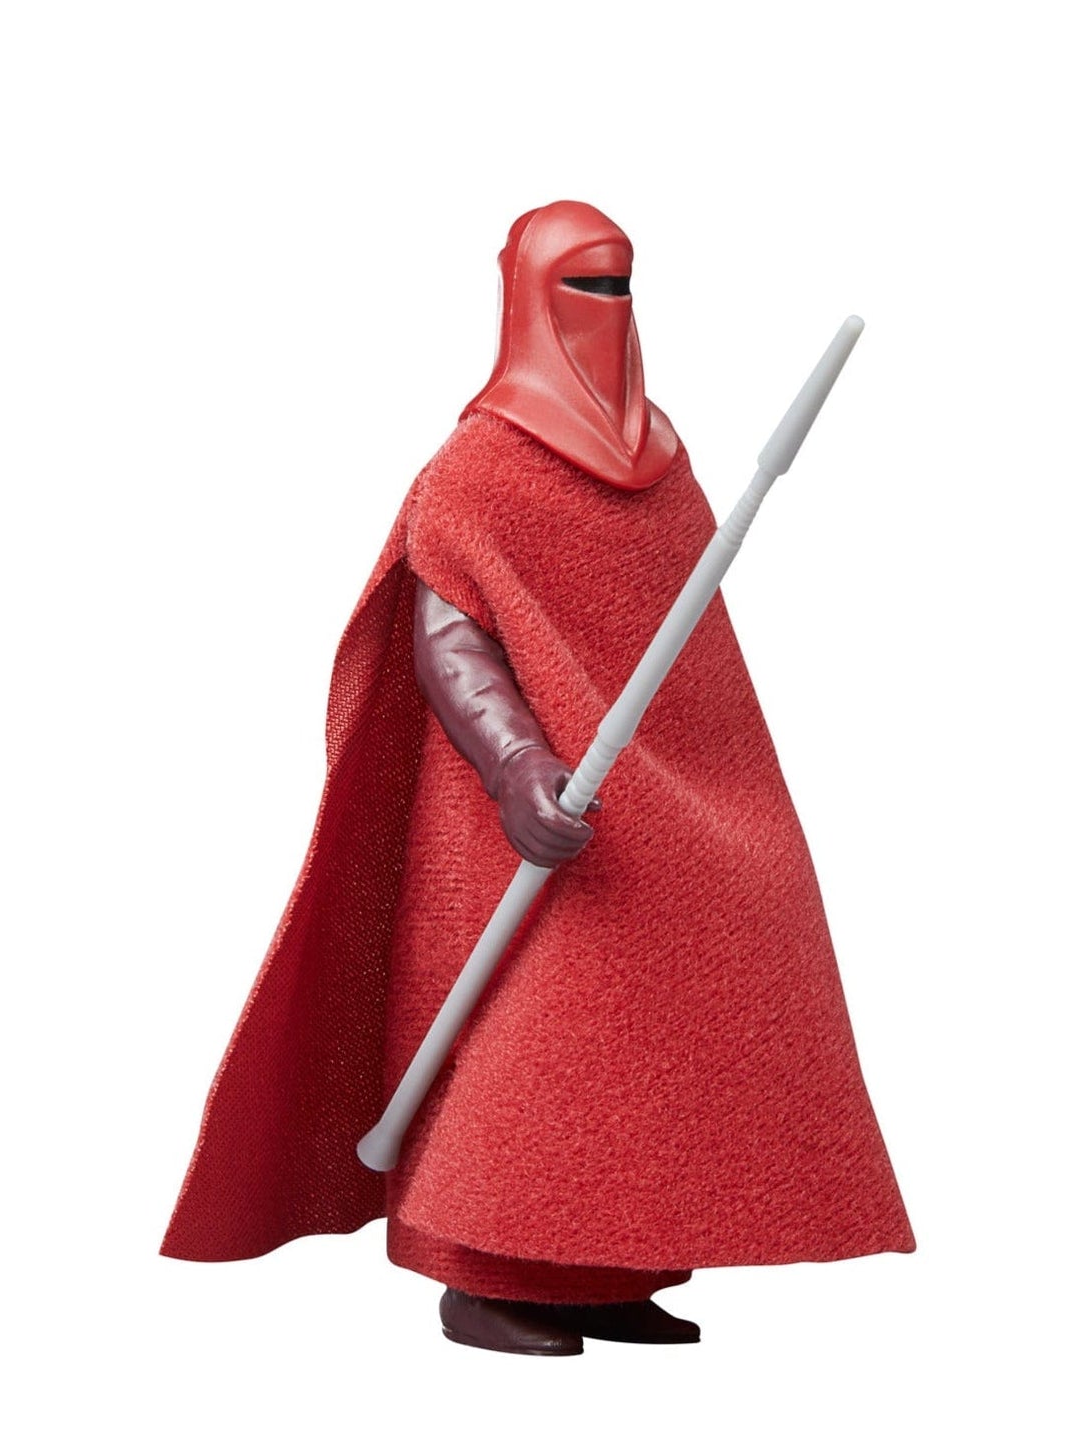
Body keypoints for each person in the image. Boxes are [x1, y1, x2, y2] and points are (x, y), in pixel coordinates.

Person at [162, 201, 914, 1355]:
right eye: (581, 287)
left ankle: (612, 1265)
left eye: (620, 286)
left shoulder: (664, 464)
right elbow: (450, 639)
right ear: (524, 300)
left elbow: (685, 653)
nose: (605, 312)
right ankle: (484, 1269)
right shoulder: (474, 471)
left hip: (671, 790)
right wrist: (516, 765)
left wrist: (700, 795)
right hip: (533, 808)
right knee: (544, 1017)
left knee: (702, 973)